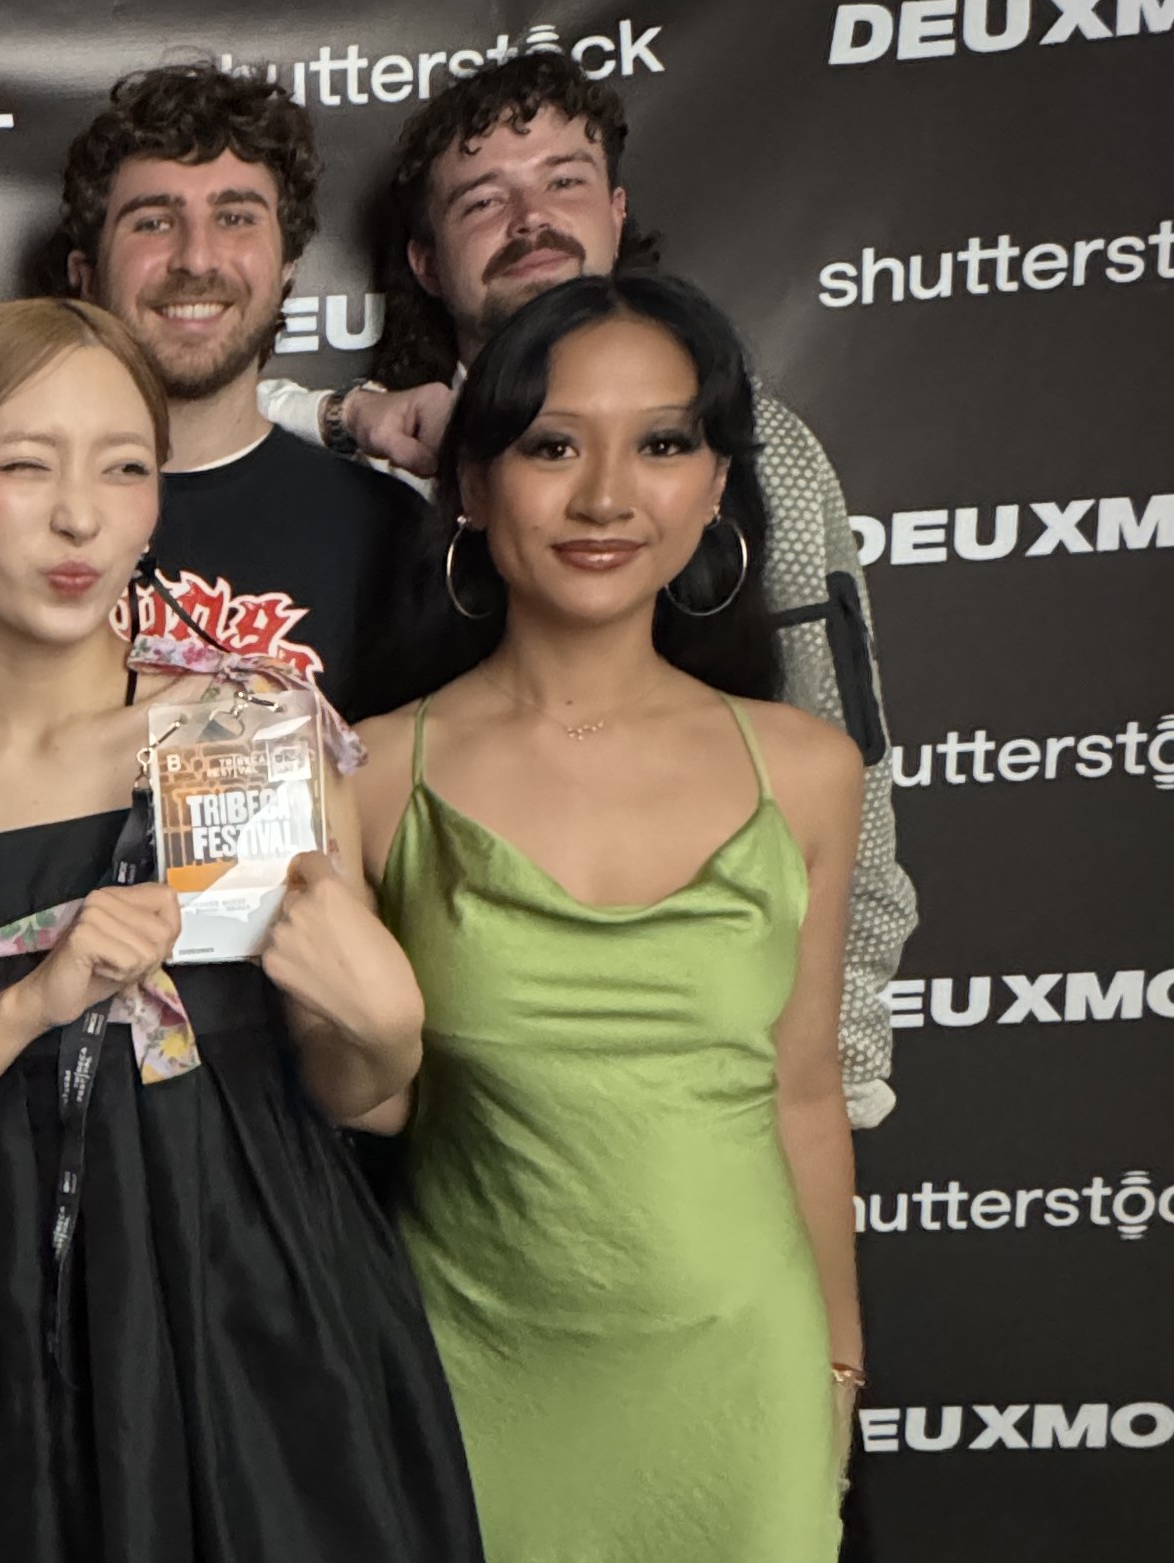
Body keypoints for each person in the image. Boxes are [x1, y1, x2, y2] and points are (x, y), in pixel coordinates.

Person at [0, 298, 481, 1563]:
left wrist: (390, 1030)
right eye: (23, 465)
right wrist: (33, 995)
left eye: (124, 467)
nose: (80, 516)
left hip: (262, 1296)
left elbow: (359, 1096)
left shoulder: (251, 722)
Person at [272, 49, 915, 1127]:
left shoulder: (767, 461)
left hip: (699, 1091)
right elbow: (169, 418)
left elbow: (855, 778)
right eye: (486, 199)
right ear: (427, 261)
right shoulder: (375, 472)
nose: (533, 218)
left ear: (617, 211)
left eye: (564, 181)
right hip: (432, 1102)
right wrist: (343, 417)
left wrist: (835, 1088)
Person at [351, 273, 863, 1562]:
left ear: (714, 485)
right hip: (471, 1387)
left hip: (745, 1394)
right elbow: (349, 1104)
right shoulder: (363, 775)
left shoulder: (804, 770)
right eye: (553, 444)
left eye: (664, 443)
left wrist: (840, 1372)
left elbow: (804, 1093)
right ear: (473, 484)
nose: (606, 498)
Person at [56, 64, 433, 722]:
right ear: (85, 277)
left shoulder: (390, 535)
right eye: (152, 223)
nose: (197, 259)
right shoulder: (7, 524)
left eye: (235, 217)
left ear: (287, 267)